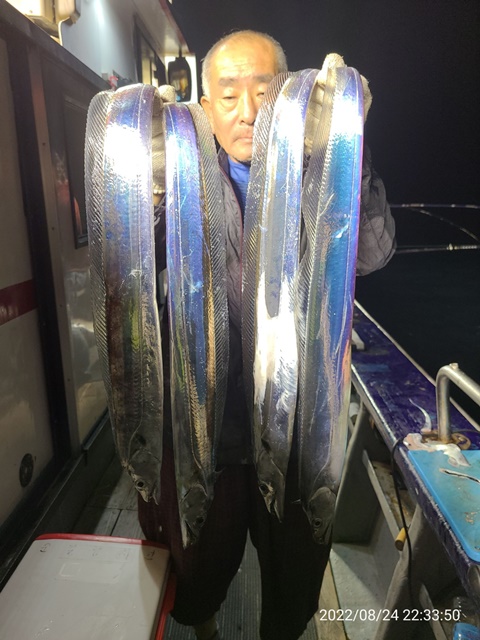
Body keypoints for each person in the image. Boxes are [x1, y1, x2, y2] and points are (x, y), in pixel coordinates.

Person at [139, 30, 396, 640]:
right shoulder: (180, 173)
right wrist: (147, 186)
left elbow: (372, 255)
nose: (248, 111)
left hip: (299, 427)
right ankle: (205, 628)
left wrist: (348, 149)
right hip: (206, 424)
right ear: (205, 106)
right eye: (228, 96)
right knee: (197, 562)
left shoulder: (317, 171)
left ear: (290, 97)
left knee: (293, 573)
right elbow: (132, 264)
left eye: (264, 92)